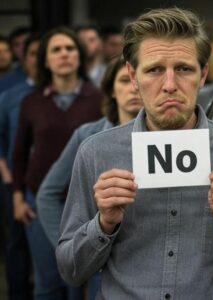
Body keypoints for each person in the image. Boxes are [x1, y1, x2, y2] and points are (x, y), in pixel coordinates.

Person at [56, 7, 213, 299]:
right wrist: (103, 224)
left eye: (183, 69)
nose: (169, 86)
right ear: (133, 76)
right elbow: (70, 271)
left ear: (203, 73)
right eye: (154, 70)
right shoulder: (96, 152)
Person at [36, 55, 141, 300]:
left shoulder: (170, 137)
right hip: (100, 256)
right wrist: (73, 249)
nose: (134, 88)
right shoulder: (88, 136)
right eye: (125, 80)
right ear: (111, 90)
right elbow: (47, 194)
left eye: (138, 80)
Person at [12, 26, 102, 300]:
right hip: (41, 201)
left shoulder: (100, 99)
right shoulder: (31, 101)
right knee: (48, 281)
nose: (64, 54)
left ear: (80, 56)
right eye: (56, 49)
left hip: (87, 202)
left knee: (81, 283)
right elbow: (19, 152)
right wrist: (17, 196)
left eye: (70, 48)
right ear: (45, 60)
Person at [0, 34, 40, 300]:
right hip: (14, 181)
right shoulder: (10, 95)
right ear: (23, 59)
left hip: (49, 184)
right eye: (33, 54)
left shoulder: (61, 95)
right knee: (17, 245)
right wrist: (9, 179)